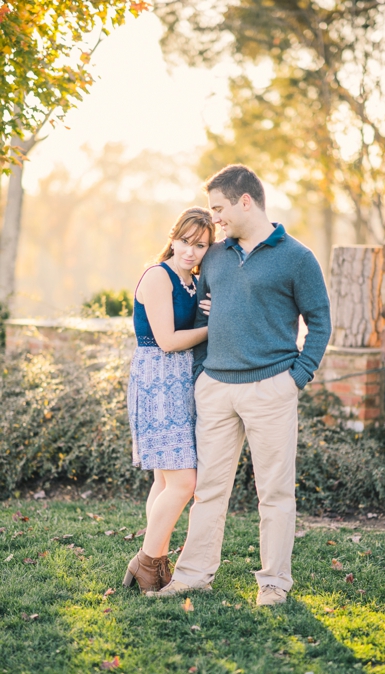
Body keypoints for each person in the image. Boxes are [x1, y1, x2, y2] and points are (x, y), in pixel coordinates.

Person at [148, 165, 332, 606]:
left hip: (272, 389)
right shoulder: (214, 256)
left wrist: (296, 379)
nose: (215, 219)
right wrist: (199, 378)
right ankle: (193, 575)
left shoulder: (297, 258)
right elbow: (200, 318)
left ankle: (273, 583)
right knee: (208, 489)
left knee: (274, 493)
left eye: (219, 208)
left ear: (245, 201)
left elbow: (321, 323)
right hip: (216, 389)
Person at [123, 207, 216, 593]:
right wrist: (214, 327)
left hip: (179, 383)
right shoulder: (159, 276)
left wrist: (207, 311)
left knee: (165, 480)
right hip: (157, 382)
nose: (191, 251)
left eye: (201, 245)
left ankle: (156, 562)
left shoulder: (191, 282)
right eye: (186, 241)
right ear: (173, 237)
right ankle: (146, 560)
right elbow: (166, 341)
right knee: (184, 482)